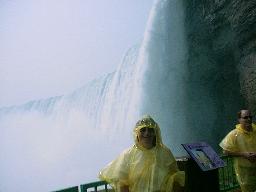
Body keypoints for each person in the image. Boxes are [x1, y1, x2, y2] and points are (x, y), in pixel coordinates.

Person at [99, 115, 185, 192]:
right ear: (137, 133)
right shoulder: (128, 155)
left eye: (150, 130)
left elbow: (175, 179)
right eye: (143, 130)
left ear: (155, 133)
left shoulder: (165, 153)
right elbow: (123, 184)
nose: (147, 133)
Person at [219, 109, 256, 192]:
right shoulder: (233, 134)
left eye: (250, 117)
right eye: (245, 117)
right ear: (239, 120)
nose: (249, 119)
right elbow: (225, 151)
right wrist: (244, 154)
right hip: (244, 172)